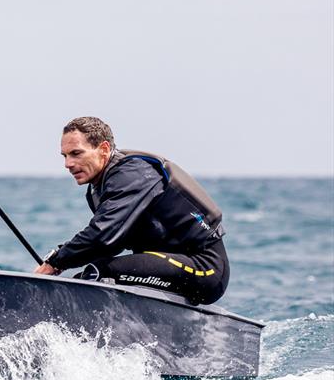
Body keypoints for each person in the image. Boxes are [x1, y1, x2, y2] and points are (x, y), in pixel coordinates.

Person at [34, 116, 229, 305]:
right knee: (80, 280)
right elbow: (110, 244)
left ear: (103, 149)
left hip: (205, 269)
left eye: (76, 153)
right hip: (167, 264)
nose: (68, 164)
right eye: (65, 156)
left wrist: (56, 261)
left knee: (98, 273)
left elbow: (102, 235)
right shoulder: (98, 189)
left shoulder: (132, 173)